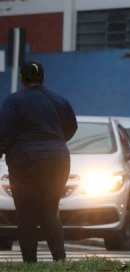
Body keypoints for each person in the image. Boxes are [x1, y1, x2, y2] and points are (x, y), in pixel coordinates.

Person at [0, 61, 77, 263]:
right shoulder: (59, 99)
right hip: (58, 159)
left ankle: (30, 263)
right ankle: (60, 261)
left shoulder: (14, 101)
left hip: (24, 160)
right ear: (42, 77)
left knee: (26, 213)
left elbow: (3, 131)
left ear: (21, 79)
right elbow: (71, 127)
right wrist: (55, 144)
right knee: (50, 210)